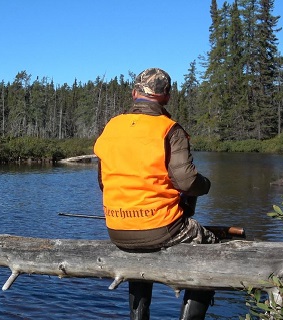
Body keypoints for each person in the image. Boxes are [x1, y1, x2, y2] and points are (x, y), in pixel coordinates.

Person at [93, 67, 218, 320]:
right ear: (166, 96)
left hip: (117, 229)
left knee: (140, 255)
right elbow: (187, 182)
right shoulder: (169, 129)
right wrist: (206, 184)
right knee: (211, 246)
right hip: (163, 228)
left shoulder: (113, 126)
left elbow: (103, 183)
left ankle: (138, 316)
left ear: (134, 93)